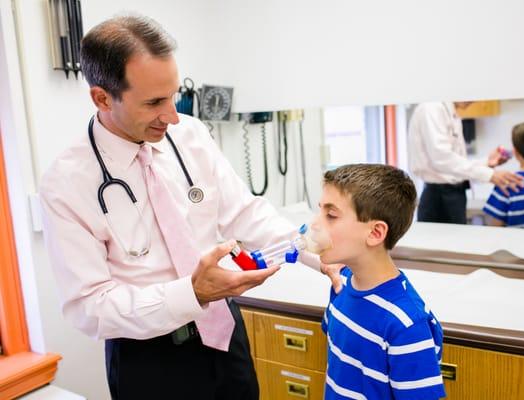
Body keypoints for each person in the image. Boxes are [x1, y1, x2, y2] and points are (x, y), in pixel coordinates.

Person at [39, 14, 334, 399]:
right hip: (149, 359)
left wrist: (322, 253)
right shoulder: (67, 182)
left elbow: (244, 213)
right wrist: (191, 293)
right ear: (102, 97)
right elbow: (89, 306)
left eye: (174, 94)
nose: (173, 115)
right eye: (154, 102)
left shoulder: (189, 135)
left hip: (226, 336)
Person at [317, 164, 446, 399]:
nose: (315, 224)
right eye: (319, 211)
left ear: (375, 233)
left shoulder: (406, 324)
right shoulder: (341, 285)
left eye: (331, 215)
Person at [408, 101, 524, 224]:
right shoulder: (432, 108)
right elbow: (441, 159)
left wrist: (487, 162)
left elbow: (454, 161)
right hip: (440, 197)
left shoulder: (451, 113)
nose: (472, 100)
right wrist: (489, 174)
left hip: (453, 194)